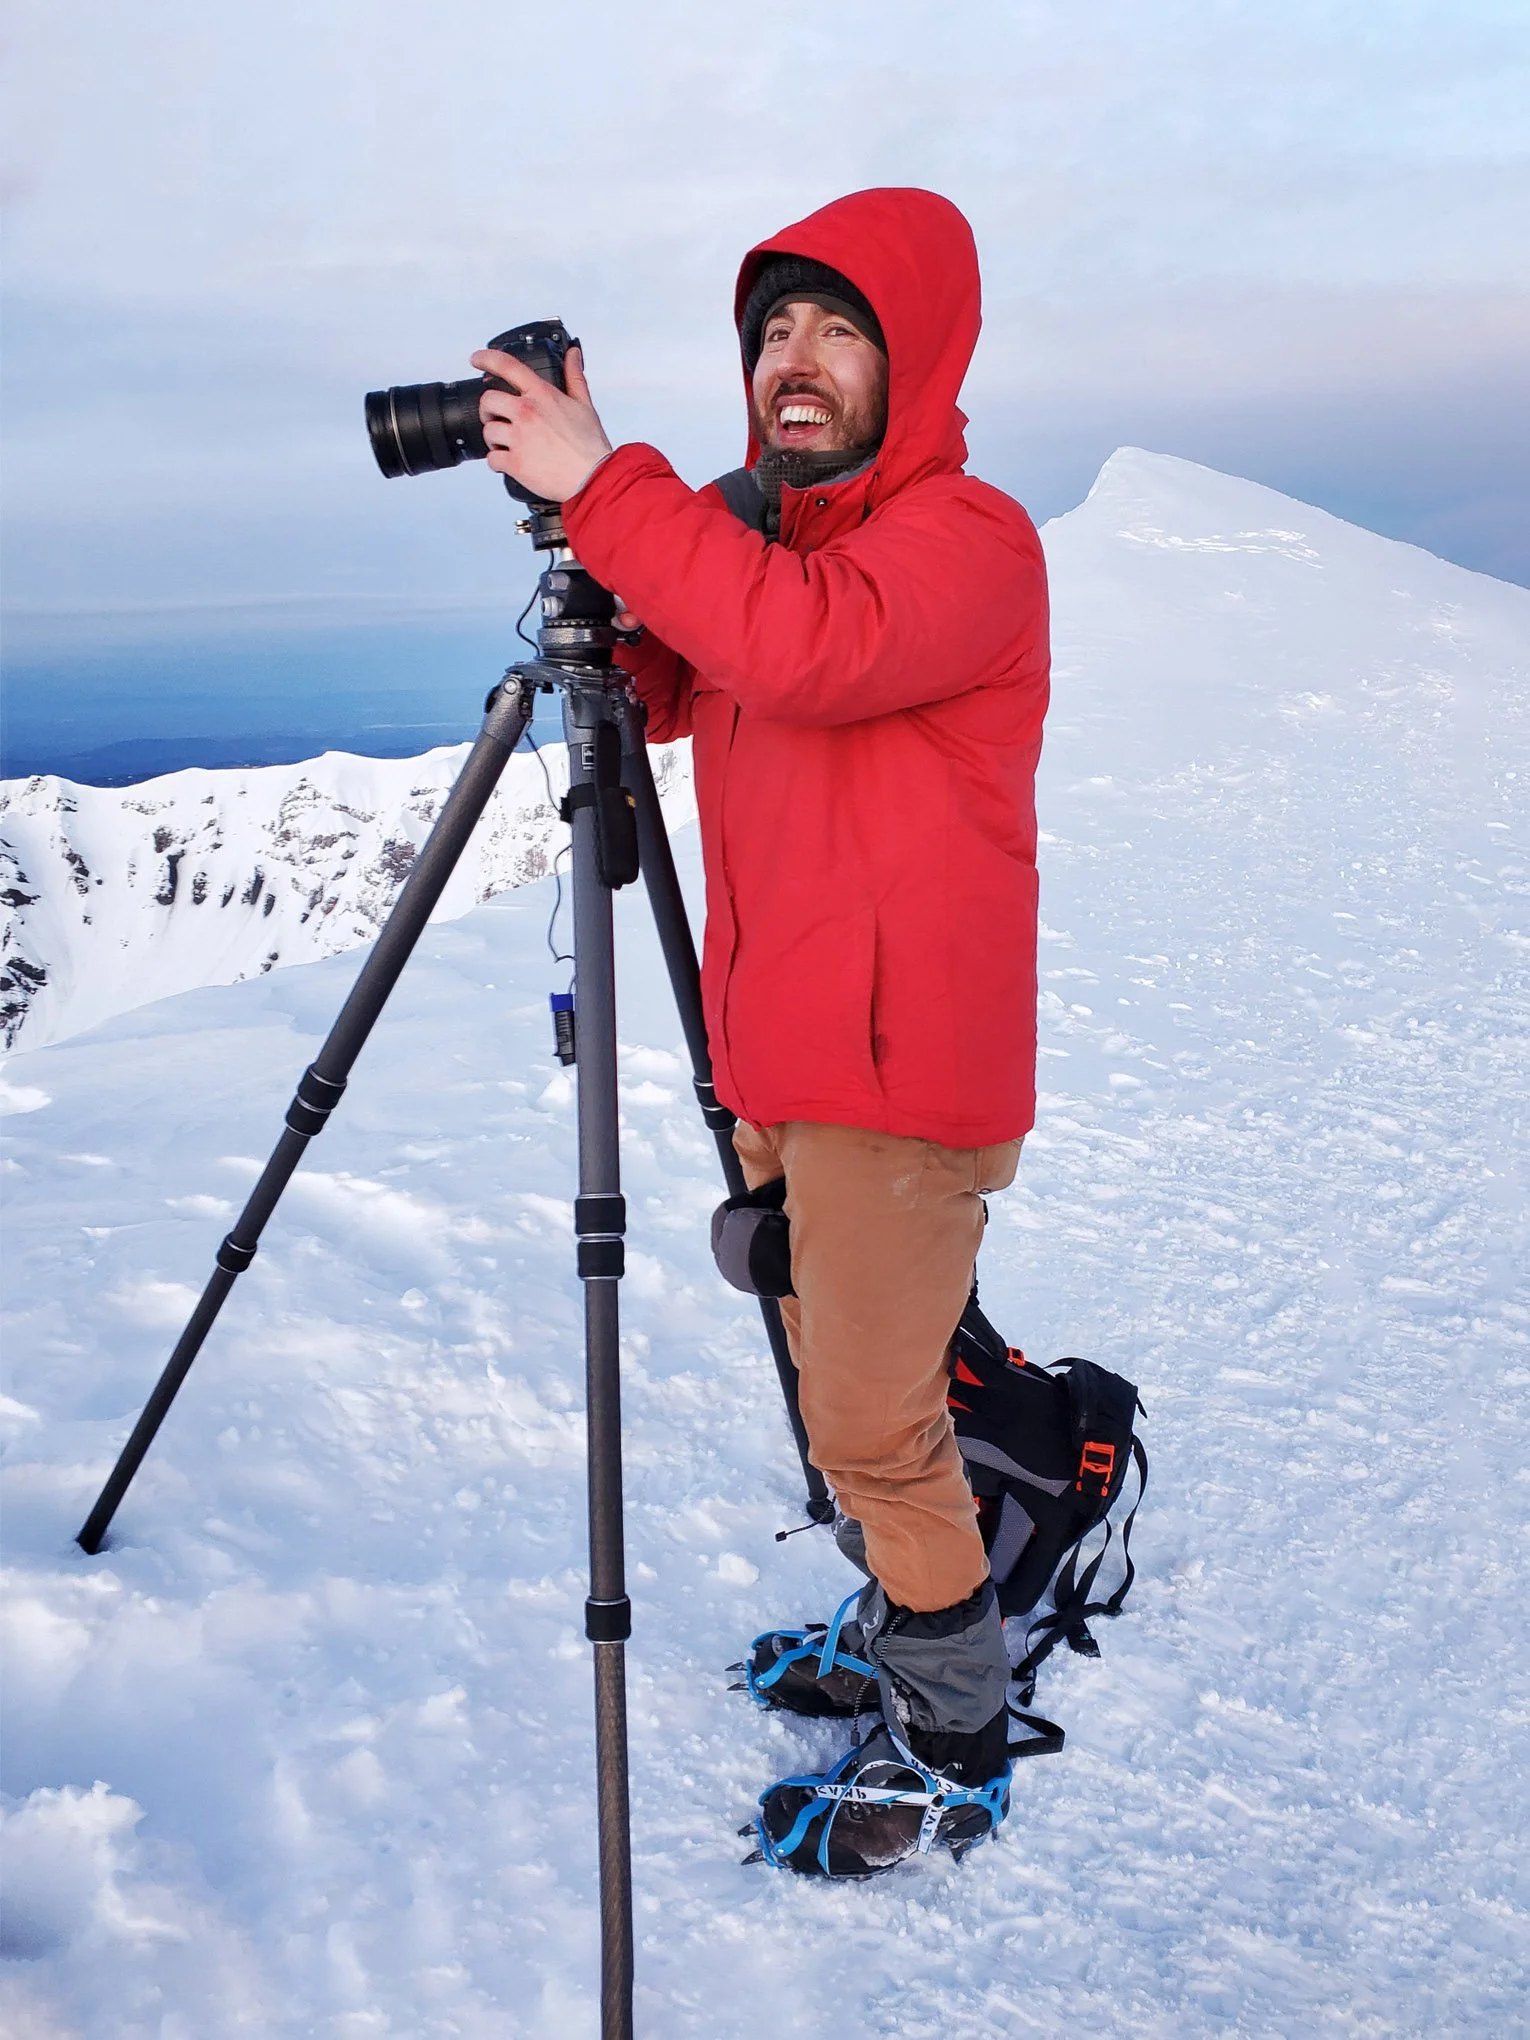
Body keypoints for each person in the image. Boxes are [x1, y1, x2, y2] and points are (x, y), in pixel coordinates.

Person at [473, 187, 1050, 1876]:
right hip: (784, 1057)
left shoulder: (965, 542)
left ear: (911, 356)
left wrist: (621, 491)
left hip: (900, 1076)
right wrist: (611, 554)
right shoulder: (770, 553)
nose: (792, 362)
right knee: (842, 1394)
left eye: (835, 330)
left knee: (871, 1422)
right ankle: (905, 1615)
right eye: (771, 334)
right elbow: (680, 676)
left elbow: (801, 658)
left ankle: (957, 1735)